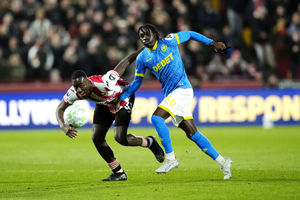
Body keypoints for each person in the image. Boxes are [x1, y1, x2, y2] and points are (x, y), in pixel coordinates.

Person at [118, 24, 232, 179]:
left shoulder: (170, 41)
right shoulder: (142, 58)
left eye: (147, 33)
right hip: (172, 96)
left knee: (157, 118)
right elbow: (137, 82)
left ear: (155, 34)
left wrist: (211, 43)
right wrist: (123, 97)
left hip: (183, 90)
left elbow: (190, 34)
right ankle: (223, 162)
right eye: (141, 36)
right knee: (192, 133)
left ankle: (171, 159)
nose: (144, 37)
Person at [55, 47, 165, 182]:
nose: (80, 91)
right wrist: (63, 125)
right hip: (104, 104)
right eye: (76, 88)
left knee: (120, 138)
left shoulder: (105, 81)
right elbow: (59, 108)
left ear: (88, 81)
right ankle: (118, 173)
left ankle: (150, 142)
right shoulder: (74, 92)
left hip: (123, 98)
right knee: (97, 138)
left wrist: (144, 49)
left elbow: (125, 61)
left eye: (81, 86)